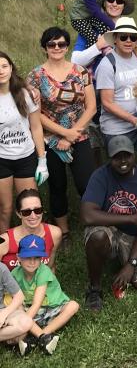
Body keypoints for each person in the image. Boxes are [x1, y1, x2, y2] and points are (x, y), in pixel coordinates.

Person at [80, 135, 137, 311]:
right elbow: (87, 215)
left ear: (134, 155)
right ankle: (95, 289)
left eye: (126, 155)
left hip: (136, 236)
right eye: (116, 157)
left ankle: (125, 261)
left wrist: (131, 264)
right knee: (97, 236)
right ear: (109, 157)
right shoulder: (100, 176)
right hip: (109, 230)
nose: (122, 161)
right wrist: (131, 218)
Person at [27, 27, 96, 241]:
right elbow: (35, 114)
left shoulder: (80, 71)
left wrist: (72, 135)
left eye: (61, 44)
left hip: (80, 135)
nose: (57, 48)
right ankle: (63, 233)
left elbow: (91, 106)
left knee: (87, 183)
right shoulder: (35, 76)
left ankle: (92, 226)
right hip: (51, 139)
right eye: (51, 44)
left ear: (67, 46)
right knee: (57, 186)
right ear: (44, 47)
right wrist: (63, 134)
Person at [0, 52, 47, 233]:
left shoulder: (26, 94)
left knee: (29, 208)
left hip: (26, 157)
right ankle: (4, 252)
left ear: (11, 68)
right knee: (5, 209)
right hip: (2, 159)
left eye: (4, 66)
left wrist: (42, 161)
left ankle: (32, 247)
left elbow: (36, 127)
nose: (1, 71)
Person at [11, 234, 79, 356]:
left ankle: (39, 336)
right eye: (27, 257)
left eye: (36, 258)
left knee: (73, 305)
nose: (32, 262)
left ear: (41, 259)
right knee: (17, 308)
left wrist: (24, 321)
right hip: (31, 311)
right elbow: (17, 299)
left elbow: (37, 303)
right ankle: (44, 339)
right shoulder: (15, 274)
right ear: (19, 257)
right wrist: (21, 316)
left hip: (53, 308)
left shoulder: (43, 271)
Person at [95, 17, 137, 158]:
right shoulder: (107, 64)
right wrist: (135, 121)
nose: (128, 41)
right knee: (122, 166)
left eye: (132, 37)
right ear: (115, 39)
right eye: (124, 37)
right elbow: (107, 103)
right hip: (117, 129)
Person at [0, 189, 62, 271]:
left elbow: (50, 268)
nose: (33, 216)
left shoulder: (54, 234)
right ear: (18, 214)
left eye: (37, 210)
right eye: (26, 212)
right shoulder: (4, 242)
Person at [0, 262, 32, 351]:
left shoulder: (1, 268)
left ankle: (11, 338)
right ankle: (12, 339)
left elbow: (19, 296)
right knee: (21, 334)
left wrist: (4, 314)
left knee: (26, 322)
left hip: (1, 311)